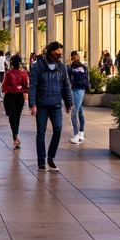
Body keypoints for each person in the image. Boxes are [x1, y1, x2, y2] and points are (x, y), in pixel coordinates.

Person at [28, 40, 73, 171]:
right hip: (42, 105)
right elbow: (33, 86)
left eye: (61, 54)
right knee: (41, 133)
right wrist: (32, 104)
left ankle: (51, 158)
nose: (59, 56)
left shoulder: (61, 67)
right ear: (50, 52)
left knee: (58, 129)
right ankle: (41, 161)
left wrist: (69, 102)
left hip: (56, 105)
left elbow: (66, 86)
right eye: (57, 53)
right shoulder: (37, 66)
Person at [2, 53, 29, 149]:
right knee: (17, 117)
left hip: (10, 96)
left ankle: (15, 136)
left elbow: (4, 86)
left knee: (12, 117)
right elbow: (26, 85)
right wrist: (24, 92)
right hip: (19, 96)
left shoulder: (8, 74)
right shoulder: (23, 73)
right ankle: (15, 135)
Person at [67, 50, 88, 144]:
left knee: (74, 112)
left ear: (72, 57)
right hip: (82, 89)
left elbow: (69, 78)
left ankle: (76, 135)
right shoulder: (83, 67)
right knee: (79, 111)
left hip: (76, 89)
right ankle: (81, 133)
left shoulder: (73, 67)